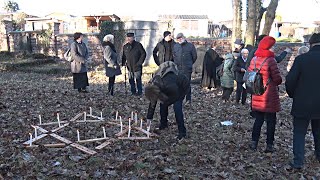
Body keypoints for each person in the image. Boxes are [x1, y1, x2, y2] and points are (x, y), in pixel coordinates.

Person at [285, 33, 320, 169]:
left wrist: (294, 95)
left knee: (299, 133)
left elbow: (290, 81)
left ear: (310, 44)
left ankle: (298, 161)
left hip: (302, 102)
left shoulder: (301, 59)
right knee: (319, 131)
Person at [248, 36, 282, 153]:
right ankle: (269, 145)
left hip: (257, 93)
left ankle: (254, 142)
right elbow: (277, 79)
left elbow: (249, 74)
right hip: (269, 95)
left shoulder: (254, 59)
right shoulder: (270, 60)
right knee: (271, 121)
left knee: (258, 120)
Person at [145, 61, 190, 140]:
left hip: (182, 87)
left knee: (177, 108)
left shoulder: (168, 85)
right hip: (170, 88)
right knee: (163, 106)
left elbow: (175, 95)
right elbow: (152, 103)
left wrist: (166, 101)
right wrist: (149, 118)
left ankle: (182, 132)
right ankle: (163, 124)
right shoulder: (154, 85)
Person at [173, 33, 197, 104]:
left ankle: (188, 99)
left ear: (184, 37)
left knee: (187, 84)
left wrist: (189, 63)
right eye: (178, 38)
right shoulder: (175, 46)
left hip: (187, 68)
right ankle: (179, 98)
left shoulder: (190, 46)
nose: (179, 39)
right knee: (179, 84)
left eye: (181, 38)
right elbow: (174, 56)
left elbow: (194, 56)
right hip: (178, 68)